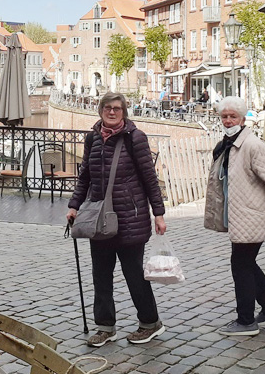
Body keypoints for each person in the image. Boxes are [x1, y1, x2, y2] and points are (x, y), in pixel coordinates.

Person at [67, 92, 167, 348]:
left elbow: (149, 179)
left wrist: (159, 213)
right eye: (107, 108)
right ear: (100, 110)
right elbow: (85, 176)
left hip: (130, 218)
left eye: (117, 109)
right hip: (99, 219)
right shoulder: (93, 138)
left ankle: (150, 322)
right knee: (101, 275)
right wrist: (74, 205)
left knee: (133, 274)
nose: (112, 112)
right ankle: (105, 327)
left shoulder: (135, 138)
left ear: (124, 112)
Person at [204, 96, 265, 337]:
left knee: (240, 265)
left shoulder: (252, 145)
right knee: (245, 263)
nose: (228, 120)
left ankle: (246, 321)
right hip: (241, 215)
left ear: (243, 119)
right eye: (224, 116)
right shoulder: (228, 144)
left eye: (233, 116)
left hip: (252, 216)